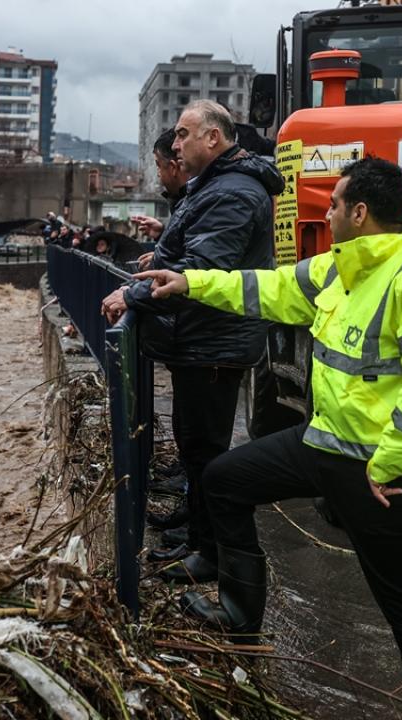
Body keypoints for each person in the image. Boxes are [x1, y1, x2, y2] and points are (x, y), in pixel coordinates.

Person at [133, 156, 402, 719]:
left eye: (334, 204)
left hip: (379, 472)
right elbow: (269, 289)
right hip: (323, 445)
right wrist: (189, 281)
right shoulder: (343, 266)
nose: (327, 211)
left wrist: (390, 461)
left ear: (359, 213)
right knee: (223, 480)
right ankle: (239, 614)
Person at [101, 100, 283, 583]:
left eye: (183, 135)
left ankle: (211, 555)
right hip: (205, 341)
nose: (175, 145)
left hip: (213, 343)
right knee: (196, 448)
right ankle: (201, 544)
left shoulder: (232, 193)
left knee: (205, 452)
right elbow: (190, 253)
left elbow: (199, 272)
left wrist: (132, 293)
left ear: (213, 139)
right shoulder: (219, 186)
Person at [132, 129, 190, 271]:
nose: (158, 174)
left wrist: (159, 261)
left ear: (173, 167)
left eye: (158, 165)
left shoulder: (202, 201)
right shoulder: (185, 201)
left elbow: (201, 266)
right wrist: (163, 234)